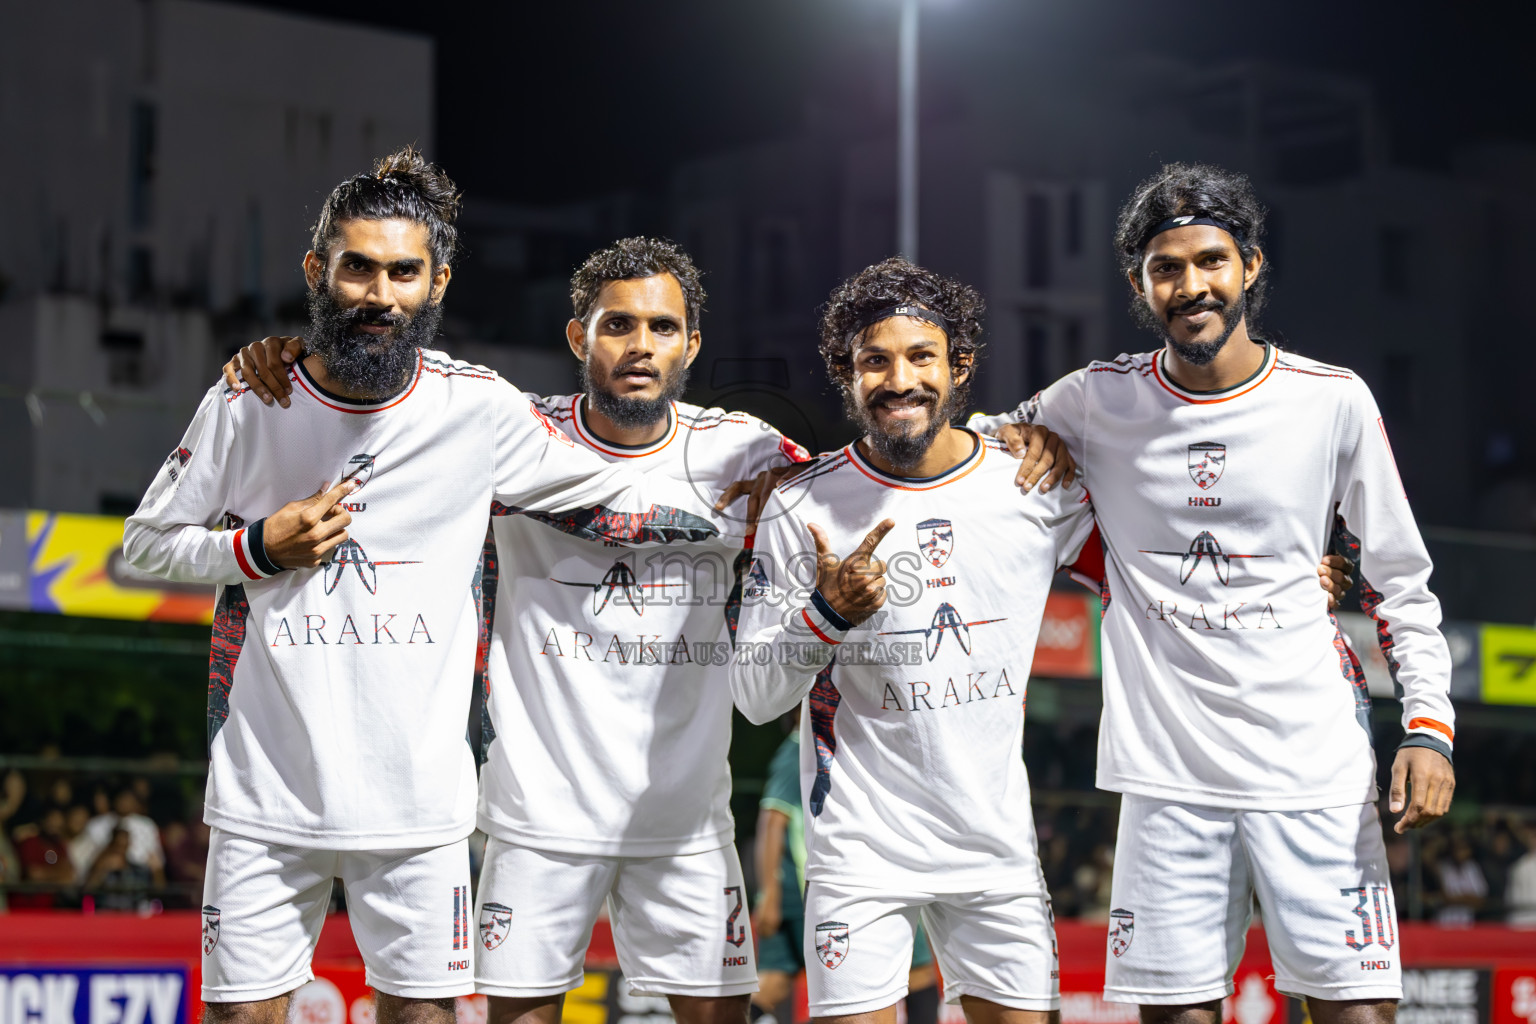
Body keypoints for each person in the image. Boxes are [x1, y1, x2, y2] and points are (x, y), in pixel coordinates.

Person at [223, 238, 1072, 1024]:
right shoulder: (508, 433)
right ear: (576, 336)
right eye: (617, 324)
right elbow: (394, 392)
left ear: (691, 346)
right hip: (532, 821)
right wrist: (292, 358)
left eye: (662, 326)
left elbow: (898, 462)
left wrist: (1010, 432)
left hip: (685, 825)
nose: (639, 344)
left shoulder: (749, 454)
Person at [125, 149, 732, 1024]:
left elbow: (622, 493)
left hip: (422, 809)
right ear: (318, 271)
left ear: (437, 282)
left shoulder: (478, 409)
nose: (380, 294)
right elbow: (145, 546)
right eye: (358, 267)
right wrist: (256, 547)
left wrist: (781, 493)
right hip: (264, 798)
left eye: (403, 272)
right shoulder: (249, 401)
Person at [972, 162, 1456, 1024]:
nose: (1190, 285)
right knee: (1178, 1016)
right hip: (1166, 778)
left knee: (1356, 1013)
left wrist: (1429, 729)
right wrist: (1022, 436)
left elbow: (1400, 580)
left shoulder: (1332, 401)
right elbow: (973, 454)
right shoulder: (1096, 398)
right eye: (1167, 268)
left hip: (1314, 768)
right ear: (1139, 283)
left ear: (1251, 266)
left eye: (1210, 261)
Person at [732, 257, 1100, 1024]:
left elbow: (1151, 574)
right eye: (874, 360)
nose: (899, 379)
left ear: (959, 365)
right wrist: (824, 615)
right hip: (858, 851)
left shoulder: (1032, 484)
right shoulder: (802, 502)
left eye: (921, 356)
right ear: (847, 373)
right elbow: (756, 696)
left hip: (992, 847)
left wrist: (1310, 575)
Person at [753, 714, 938, 1024]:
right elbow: (771, 820)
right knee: (915, 971)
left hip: (798, 893)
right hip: (821, 891)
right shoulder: (802, 747)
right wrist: (768, 894)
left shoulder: (807, 747)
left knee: (771, 985)